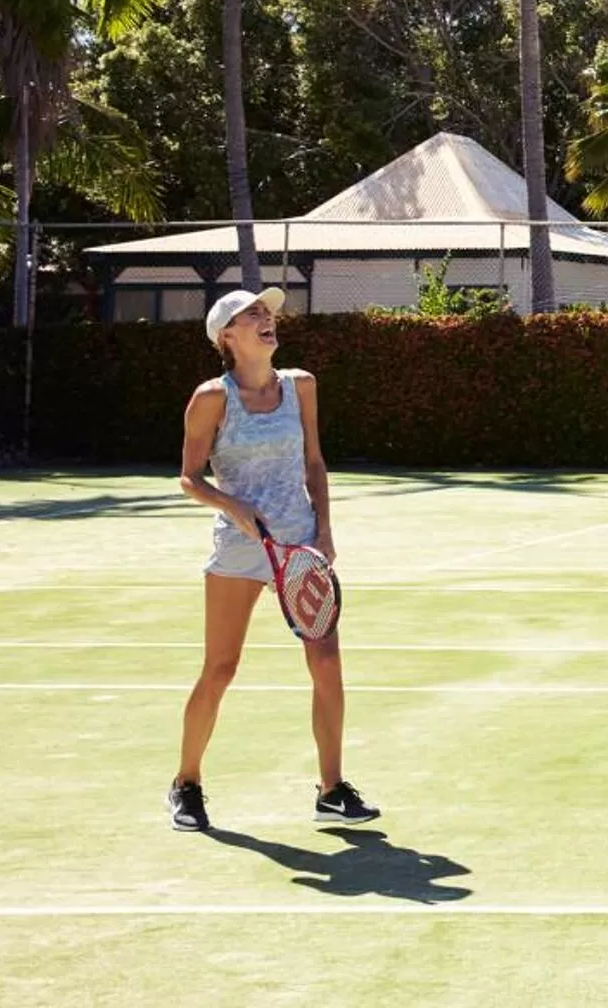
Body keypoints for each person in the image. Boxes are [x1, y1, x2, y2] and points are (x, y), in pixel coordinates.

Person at [169, 287, 377, 832]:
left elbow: (314, 462)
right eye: (253, 314)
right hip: (241, 549)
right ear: (227, 336)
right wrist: (231, 505)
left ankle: (331, 790)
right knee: (220, 668)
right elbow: (189, 478)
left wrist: (324, 531)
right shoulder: (211, 398)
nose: (268, 319)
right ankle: (186, 783)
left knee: (327, 664)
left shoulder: (301, 385)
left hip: (301, 543)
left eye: (268, 312)